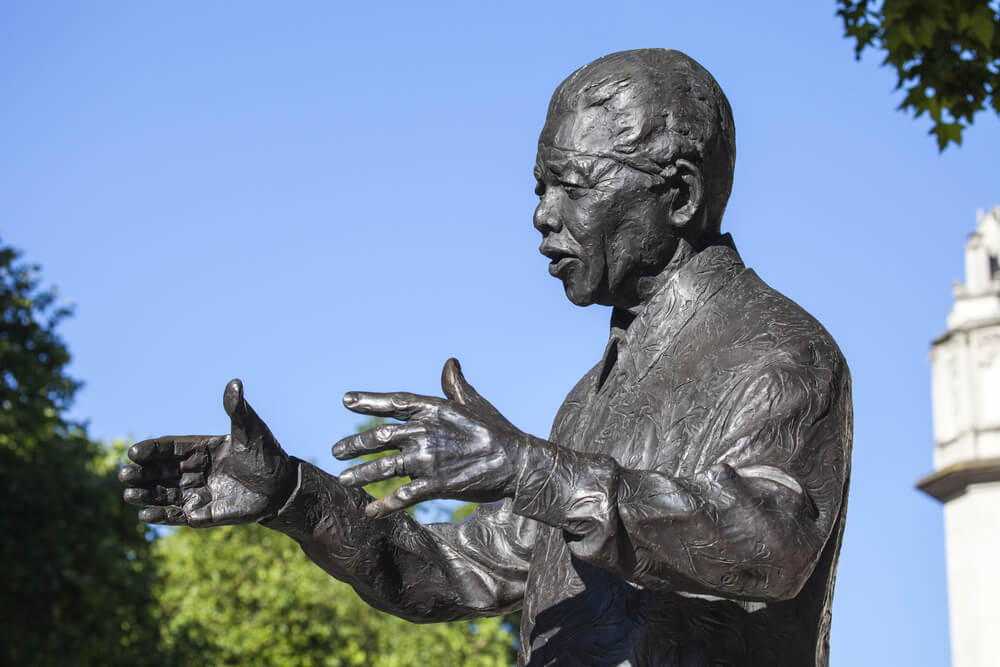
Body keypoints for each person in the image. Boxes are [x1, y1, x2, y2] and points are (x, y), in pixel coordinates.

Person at [121, 49, 852, 666]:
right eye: (540, 185)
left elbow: (769, 544)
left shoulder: (781, 353)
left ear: (681, 195)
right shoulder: (588, 400)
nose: (542, 213)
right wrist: (292, 495)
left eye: (572, 183)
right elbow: (457, 570)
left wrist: (531, 468)